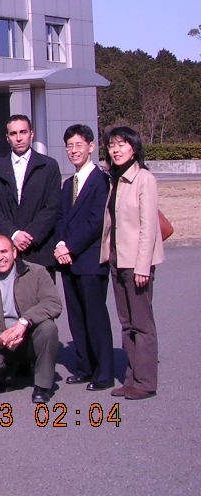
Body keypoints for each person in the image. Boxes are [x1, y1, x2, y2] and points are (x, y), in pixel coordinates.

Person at [101, 126, 164, 400]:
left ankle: (146, 381)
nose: (116, 149)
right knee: (127, 324)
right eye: (112, 145)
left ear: (134, 148)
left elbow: (148, 227)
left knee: (142, 324)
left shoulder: (143, 179)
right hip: (118, 260)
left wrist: (142, 267)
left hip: (136, 263)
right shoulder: (116, 179)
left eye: (122, 145)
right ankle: (132, 378)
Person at [54, 124, 114, 391]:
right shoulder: (68, 185)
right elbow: (60, 219)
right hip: (68, 261)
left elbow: (95, 222)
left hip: (90, 260)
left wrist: (70, 247)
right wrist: (59, 245)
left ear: (91, 146)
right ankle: (84, 366)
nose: (73, 150)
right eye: (69, 146)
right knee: (76, 316)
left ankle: (104, 371)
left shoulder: (101, 181)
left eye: (78, 145)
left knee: (95, 316)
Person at [0, 235, 62, 403]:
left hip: (29, 333)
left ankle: (42, 385)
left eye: (4, 251)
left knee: (48, 328)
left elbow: (53, 303)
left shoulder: (37, 272)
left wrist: (24, 321)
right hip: (3, 337)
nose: (0, 257)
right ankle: (10, 373)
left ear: (14, 252)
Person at [0, 115, 62, 270]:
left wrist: (30, 235)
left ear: (31, 134)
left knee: (41, 294)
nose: (19, 138)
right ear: (7, 138)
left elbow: (53, 207)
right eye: (13, 134)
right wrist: (14, 234)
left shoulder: (48, 166)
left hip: (40, 250)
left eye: (23, 132)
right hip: (7, 252)